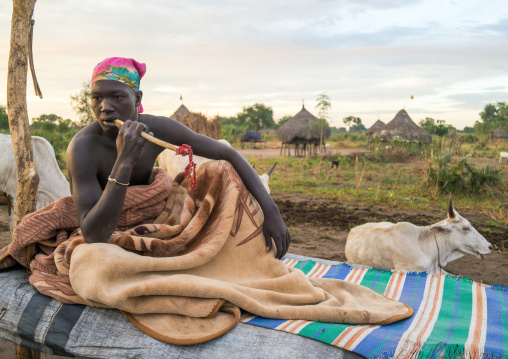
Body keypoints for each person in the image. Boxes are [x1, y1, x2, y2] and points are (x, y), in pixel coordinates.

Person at [66, 57, 290, 258]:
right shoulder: (83, 147)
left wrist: (271, 212)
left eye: (117, 97)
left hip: (155, 219)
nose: (105, 107)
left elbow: (227, 153)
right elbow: (94, 234)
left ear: (137, 98)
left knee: (220, 171)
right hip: (104, 226)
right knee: (92, 261)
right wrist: (125, 161)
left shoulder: (156, 129)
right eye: (97, 98)